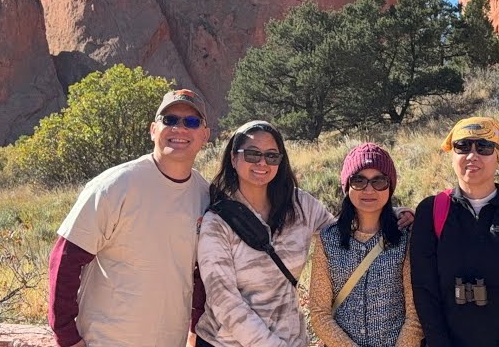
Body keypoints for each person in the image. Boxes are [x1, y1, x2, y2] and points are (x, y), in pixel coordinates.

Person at [47, 88, 212, 347]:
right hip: (105, 340)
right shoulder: (115, 186)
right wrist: (67, 338)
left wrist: (195, 330)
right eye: (169, 120)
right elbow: (64, 259)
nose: (180, 128)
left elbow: (200, 274)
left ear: (205, 135)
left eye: (191, 122)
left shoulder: (205, 195)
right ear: (153, 130)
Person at [194, 120, 335, 347]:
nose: (262, 162)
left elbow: (344, 234)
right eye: (252, 154)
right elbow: (224, 301)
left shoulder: (300, 206)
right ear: (233, 158)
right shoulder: (217, 222)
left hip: (291, 338)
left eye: (271, 156)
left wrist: (392, 214)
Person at [410, 116, 499, 347]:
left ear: (498, 157)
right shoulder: (430, 211)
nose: (472, 155)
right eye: (462, 146)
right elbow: (424, 290)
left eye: (484, 147)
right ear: (452, 155)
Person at [308, 143, 423, 347]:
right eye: (359, 180)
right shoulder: (328, 239)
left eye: (379, 181)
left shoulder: (406, 235)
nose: (369, 189)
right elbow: (319, 313)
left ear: (390, 186)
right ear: (347, 185)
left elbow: (415, 315)